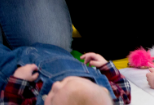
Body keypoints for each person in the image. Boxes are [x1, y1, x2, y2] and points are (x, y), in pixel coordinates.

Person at [0, 44, 131, 104]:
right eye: (68, 82)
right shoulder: (114, 98)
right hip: (53, 50)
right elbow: (124, 87)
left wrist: (18, 80)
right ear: (103, 90)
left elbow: (9, 102)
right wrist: (105, 66)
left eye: (52, 98)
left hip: (16, 66)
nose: (56, 85)